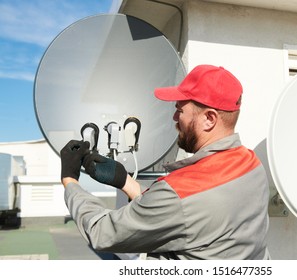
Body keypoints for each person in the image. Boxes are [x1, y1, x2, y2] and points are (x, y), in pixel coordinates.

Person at [60, 64, 270, 260]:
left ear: (210, 119)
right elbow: (183, 214)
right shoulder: (252, 165)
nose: (174, 118)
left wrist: (71, 181)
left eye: (180, 110)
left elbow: (102, 232)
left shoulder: (180, 192)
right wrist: (125, 181)